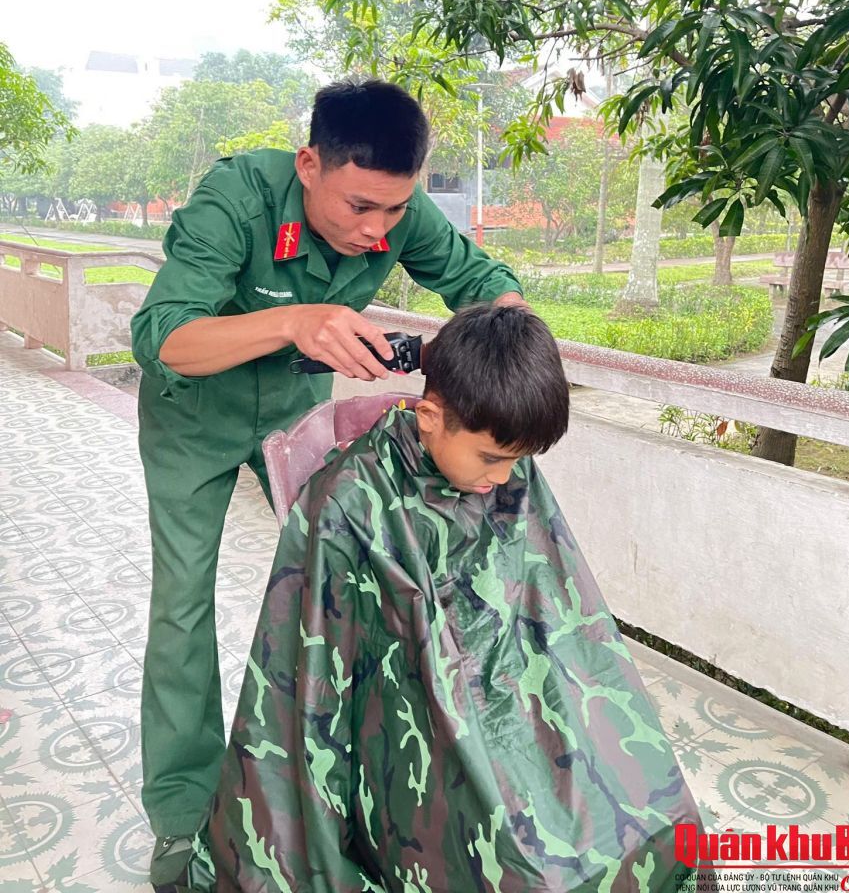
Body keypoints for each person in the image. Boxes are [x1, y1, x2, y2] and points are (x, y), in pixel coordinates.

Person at [130, 79, 525, 889]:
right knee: (182, 605)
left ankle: (347, 785)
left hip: (293, 414)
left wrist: (496, 359)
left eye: (394, 210)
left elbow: (490, 288)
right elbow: (161, 336)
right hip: (193, 418)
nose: (377, 230)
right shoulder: (237, 198)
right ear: (309, 164)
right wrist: (294, 321)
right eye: (359, 207)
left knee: (348, 589)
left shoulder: (395, 210)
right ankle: (181, 811)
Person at [181, 305, 708, 893]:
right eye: (493, 459)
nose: (504, 479)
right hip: (414, 719)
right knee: (529, 867)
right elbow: (321, 673)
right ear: (429, 417)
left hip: (505, 689)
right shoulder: (349, 501)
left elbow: (549, 604)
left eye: (518, 461)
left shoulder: (503, 468)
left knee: (658, 812)